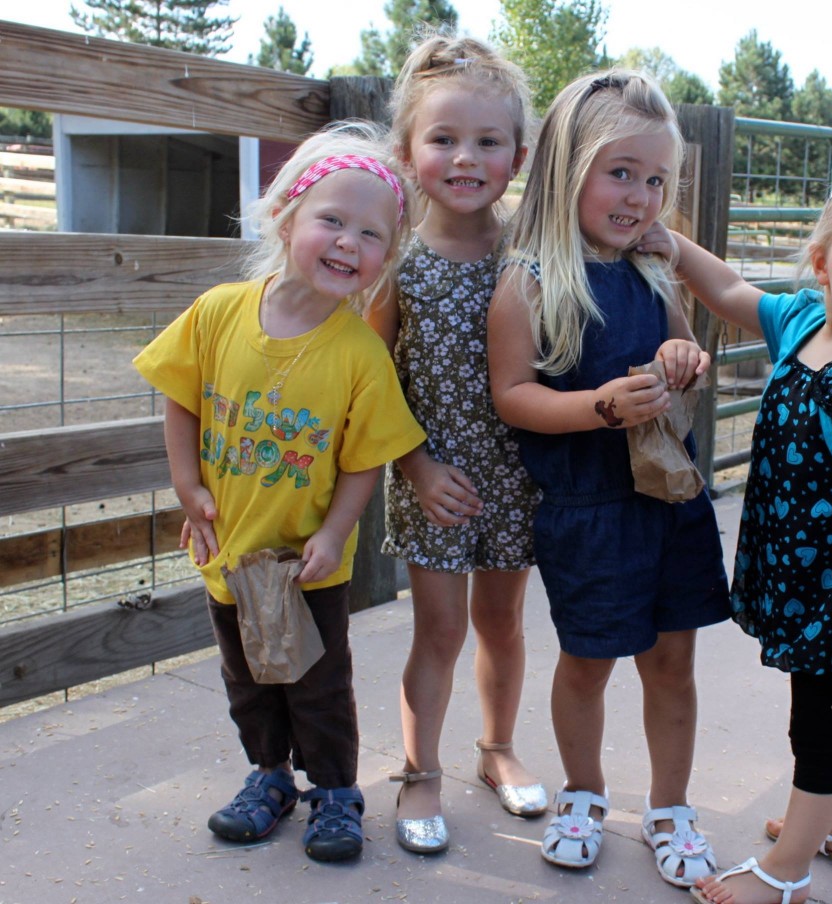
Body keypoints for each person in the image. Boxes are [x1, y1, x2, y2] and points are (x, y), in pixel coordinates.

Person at [637, 150, 832, 904]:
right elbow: (728, 290)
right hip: (791, 571)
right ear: (822, 262)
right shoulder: (805, 324)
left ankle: (786, 876)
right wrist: (673, 246)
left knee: (817, 729)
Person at [133, 122, 426, 863]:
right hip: (228, 550)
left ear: (385, 258)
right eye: (332, 220)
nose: (348, 243)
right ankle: (269, 777)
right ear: (286, 216)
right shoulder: (219, 312)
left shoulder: (360, 354)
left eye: (371, 235)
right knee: (246, 678)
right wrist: (185, 483)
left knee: (318, 683)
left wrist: (335, 533)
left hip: (306, 563)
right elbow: (181, 395)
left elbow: (366, 457)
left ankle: (334, 790)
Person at [487, 69, 731, 886]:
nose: (640, 197)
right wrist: (596, 405)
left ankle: (670, 806)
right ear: (567, 169)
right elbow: (514, 397)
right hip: (587, 510)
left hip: (668, 502)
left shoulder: (655, 270)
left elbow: (684, 357)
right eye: (620, 172)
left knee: (672, 664)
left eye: (657, 179)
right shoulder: (529, 282)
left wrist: (680, 359)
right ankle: (584, 792)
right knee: (587, 663)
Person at [365, 33, 545, 854]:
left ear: (519, 154)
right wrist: (415, 463)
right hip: (431, 472)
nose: (465, 157)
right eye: (443, 139)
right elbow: (370, 381)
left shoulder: (534, 256)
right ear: (408, 152)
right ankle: (419, 770)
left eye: (487, 140)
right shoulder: (394, 259)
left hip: (517, 475)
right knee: (438, 631)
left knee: (503, 624)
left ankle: (498, 747)